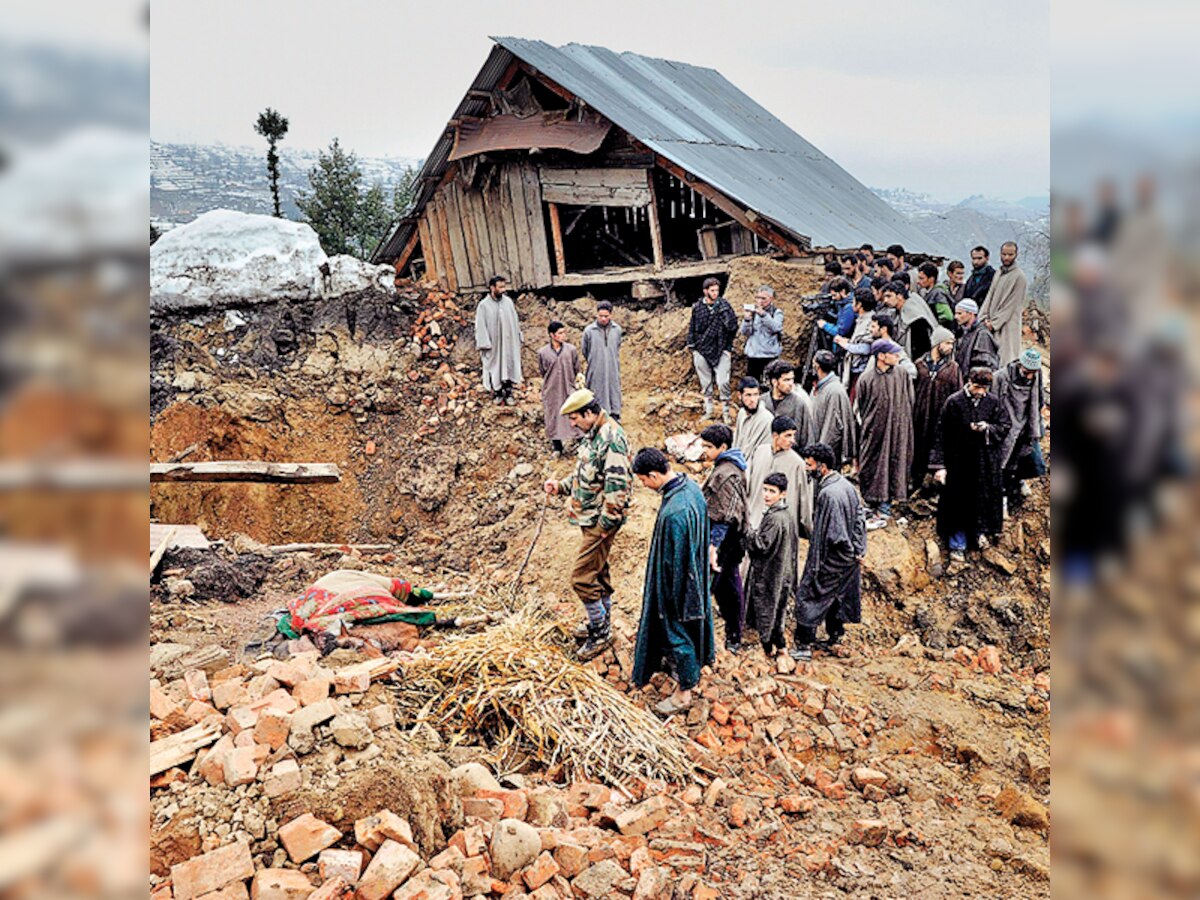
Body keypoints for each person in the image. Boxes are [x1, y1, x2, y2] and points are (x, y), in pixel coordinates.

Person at [543, 389, 632, 661]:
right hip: (590, 516)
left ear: (590, 413)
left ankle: (600, 631)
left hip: (600, 520)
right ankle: (600, 623)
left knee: (581, 578)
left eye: (574, 418)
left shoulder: (612, 437)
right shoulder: (593, 435)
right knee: (598, 573)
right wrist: (560, 486)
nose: (572, 424)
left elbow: (618, 487)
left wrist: (606, 524)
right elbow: (585, 474)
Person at [629, 448, 715, 717]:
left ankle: (684, 692)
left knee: (677, 632)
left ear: (654, 475)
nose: (643, 485)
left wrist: (667, 600)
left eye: (643, 480)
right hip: (694, 576)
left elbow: (673, 564)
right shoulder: (690, 486)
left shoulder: (674, 514)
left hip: (678, 586)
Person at [792, 442, 867, 662]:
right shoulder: (846, 486)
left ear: (822, 467)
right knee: (836, 597)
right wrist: (858, 550)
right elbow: (859, 518)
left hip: (832, 558)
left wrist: (833, 558)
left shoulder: (829, 494)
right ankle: (835, 636)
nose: (807, 468)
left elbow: (835, 535)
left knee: (810, 596)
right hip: (847, 558)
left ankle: (804, 645)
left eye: (810, 464)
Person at [931, 368, 1011, 561]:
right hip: (958, 463)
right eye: (977, 387)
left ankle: (977, 537)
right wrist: (939, 465)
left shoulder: (993, 402)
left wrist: (988, 429)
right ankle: (957, 545)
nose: (980, 392)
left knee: (981, 503)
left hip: (984, 464)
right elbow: (941, 434)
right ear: (969, 382)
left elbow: (1004, 425)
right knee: (957, 505)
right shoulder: (954, 402)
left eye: (984, 388)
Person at [698, 424, 748, 653]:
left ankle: (704, 641)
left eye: (708, 447)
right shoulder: (728, 467)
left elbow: (725, 516)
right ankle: (734, 636)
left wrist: (712, 547)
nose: (704, 451)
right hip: (730, 542)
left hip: (724, 543)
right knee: (728, 589)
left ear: (723, 447)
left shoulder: (726, 474)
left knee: (708, 589)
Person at [854, 338, 914, 529]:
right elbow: (861, 407)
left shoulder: (902, 374)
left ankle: (886, 507)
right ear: (881, 356)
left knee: (894, 465)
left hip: (898, 430)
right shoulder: (866, 378)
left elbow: (909, 399)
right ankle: (871, 504)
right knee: (872, 465)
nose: (897, 357)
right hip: (875, 432)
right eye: (893, 354)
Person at [743, 472, 798, 659]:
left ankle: (768, 650)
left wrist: (748, 532)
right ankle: (781, 648)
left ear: (782, 494)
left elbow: (761, 545)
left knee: (766, 610)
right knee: (777, 611)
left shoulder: (775, 518)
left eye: (772, 491)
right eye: (765, 490)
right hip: (782, 571)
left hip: (770, 573)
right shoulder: (786, 514)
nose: (766, 494)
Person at [992, 348, 1046, 512]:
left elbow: (1040, 400)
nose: (1029, 376)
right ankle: (1000, 502)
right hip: (1006, 427)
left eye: (1032, 373)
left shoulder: (1037, 377)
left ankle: (1016, 487)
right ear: (1020, 365)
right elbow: (993, 403)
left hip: (1025, 426)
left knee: (1026, 461)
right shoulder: (1001, 377)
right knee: (1001, 465)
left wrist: (1035, 424)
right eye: (1027, 372)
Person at [911, 326, 963, 485]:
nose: (950, 347)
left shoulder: (953, 368)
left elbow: (958, 394)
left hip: (941, 419)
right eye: (947, 343)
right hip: (919, 419)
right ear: (937, 343)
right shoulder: (919, 365)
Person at [745, 414, 811, 537]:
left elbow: (804, 501)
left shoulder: (798, 464)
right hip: (755, 523)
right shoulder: (759, 451)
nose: (792, 440)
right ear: (775, 435)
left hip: (782, 530)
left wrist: (807, 530)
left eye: (793, 435)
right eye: (788, 435)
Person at [688, 277, 739, 420]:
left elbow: (732, 327)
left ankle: (726, 413)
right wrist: (693, 348)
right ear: (706, 291)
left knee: (723, 382)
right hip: (702, 349)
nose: (715, 293)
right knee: (706, 383)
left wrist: (728, 349)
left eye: (717, 290)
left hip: (721, 348)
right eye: (712, 290)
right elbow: (692, 328)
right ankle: (709, 411)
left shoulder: (724, 306)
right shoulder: (698, 308)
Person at [475, 275, 523, 405]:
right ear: (492, 288)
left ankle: (508, 393)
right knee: (494, 367)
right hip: (493, 345)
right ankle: (497, 393)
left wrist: (518, 336)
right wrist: (484, 343)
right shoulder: (483, 306)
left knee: (508, 365)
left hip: (508, 342)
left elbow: (514, 320)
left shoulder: (508, 302)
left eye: (504, 287)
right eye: (500, 287)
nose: (503, 290)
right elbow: (480, 326)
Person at [980, 241, 1029, 366]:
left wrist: (994, 323)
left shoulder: (1019, 277)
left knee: (1007, 358)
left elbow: (1012, 304)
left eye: (1010, 254)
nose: (1006, 257)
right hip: (991, 321)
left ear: (1016, 255)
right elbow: (990, 296)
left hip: (1008, 324)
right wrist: (984, 316)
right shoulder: (998, 273)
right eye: (1004, 254)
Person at [537, 321, 582, 456]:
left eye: (564, 332)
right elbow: (543, 371)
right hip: (552, 390)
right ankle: (557, 448)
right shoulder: (543, 352)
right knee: (553, 416)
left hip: (569, 387)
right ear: (552, 335)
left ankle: (581, 444)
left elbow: (576, 368)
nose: (563, 335)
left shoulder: (571, 350)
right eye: (560, 333)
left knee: (574, 414)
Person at [837, 309, 918, 382]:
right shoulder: (872, 343)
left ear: (883, 329)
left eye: (873, 326)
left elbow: (911, 372)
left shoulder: (893, 348)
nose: (870, 329)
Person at [810, 349, 856, 468]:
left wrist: (820, 454)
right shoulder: (819, 387)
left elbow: (832, 428)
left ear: (817, 366)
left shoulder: (834, 391)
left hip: (826, 458)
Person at [580, 300, 623, 421]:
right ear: (596, 315)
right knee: (597, 396)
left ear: (611, 315)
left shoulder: (617, 330)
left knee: (613, 393)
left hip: (612, 369)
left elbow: (617, 347)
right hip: (596, 370)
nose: (603, 319)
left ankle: (614, 417)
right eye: (600, 316)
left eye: (606, 316)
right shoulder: (589, 331)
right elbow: (585, 350)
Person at [761, 359, 816, 451]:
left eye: (792, 379)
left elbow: (807, 438)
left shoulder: (799, 404)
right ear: (775, 382)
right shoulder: (762, 402)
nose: (791, 384)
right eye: (786, 380)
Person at [881, 279, 937, 360]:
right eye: (885, 297)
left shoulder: (915, 315)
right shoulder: (896, 312)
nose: (885, 300)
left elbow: (922, 345)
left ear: (900, 296)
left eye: (889, 296)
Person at [836, 286, 878, 393]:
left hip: (862, 370)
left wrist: (845, 345)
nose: (852, 304)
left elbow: (866, 348)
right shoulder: (861, 319)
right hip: (856, 368)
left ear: (859, 305)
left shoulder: (870, 321)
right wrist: (849, 341)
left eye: (854, 301)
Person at [739, 285, 784, 382]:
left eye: (763, 298)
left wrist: (763, 315)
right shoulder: (753, 311)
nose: (760, 301)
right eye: (758, 298)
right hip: (753, 355)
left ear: (771, 299)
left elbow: (776, 327)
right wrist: (747, 320)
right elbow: (744, 332)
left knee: (769, 383)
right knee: (752, 383)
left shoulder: (776, 312)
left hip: (769, 356)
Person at [953, 299, 1000, 373]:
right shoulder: (962, 332)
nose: (955, 317)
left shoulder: (983, 334)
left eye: (959, 313)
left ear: (970, 314)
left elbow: (984, 364)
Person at [732, 376, 773, 459]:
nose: (752, 399)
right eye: (748, 395)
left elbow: (750, 450)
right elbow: (736, 441)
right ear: (740, 395)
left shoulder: (765, 418)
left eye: (755, 394)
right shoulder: (742, 413)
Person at [917, 262, 955, 327]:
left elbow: (947, 316)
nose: (918, 281)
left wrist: (935, 327)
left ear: (931, 279)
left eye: (921, 278)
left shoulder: (938, 293)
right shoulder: (929, 292)